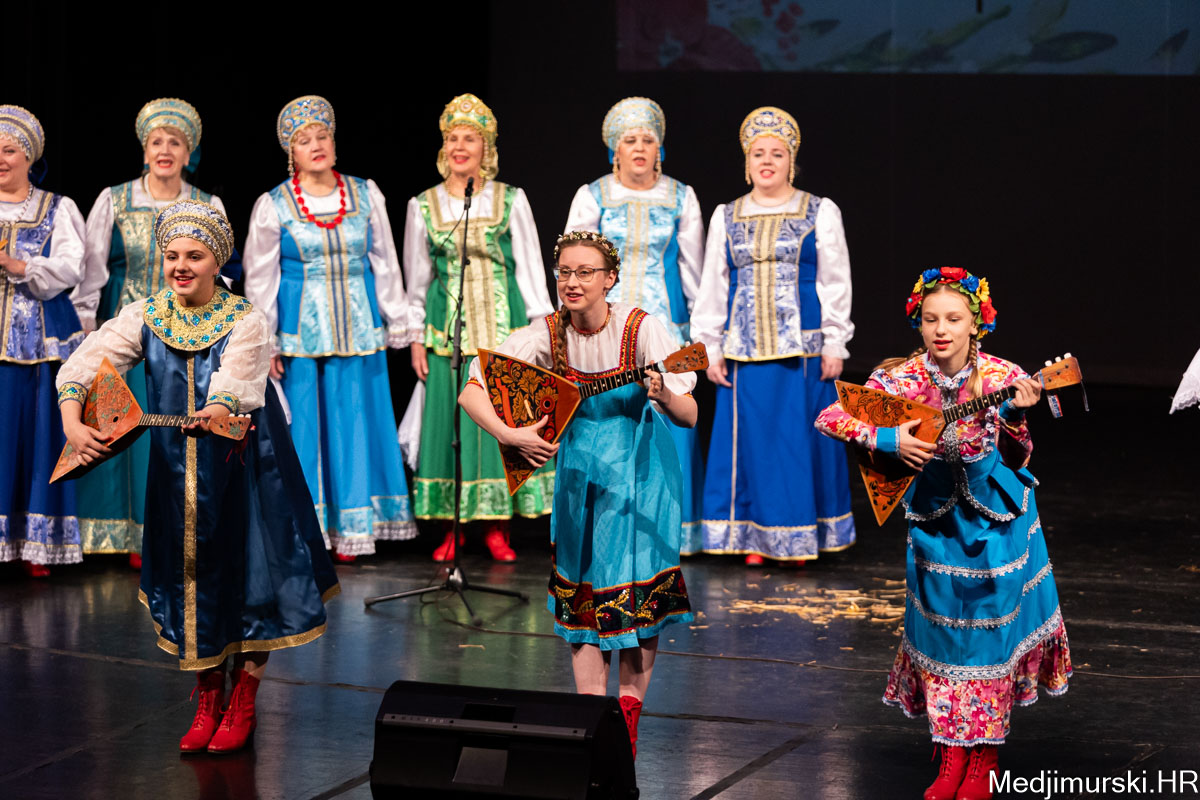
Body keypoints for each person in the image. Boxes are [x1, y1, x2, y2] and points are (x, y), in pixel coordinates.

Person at [57, 200, 339, 753]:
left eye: (194, 256)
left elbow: (233, 387)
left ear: (216, 262)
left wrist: (215, 409)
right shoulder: (147, 314)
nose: (180, 266)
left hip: (244, 469)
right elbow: (84, 364)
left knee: (252, 577)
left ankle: (244, 699)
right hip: (176, 472)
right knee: (189, 577)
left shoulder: (245, 319)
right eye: (172, 256)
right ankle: (208, 695)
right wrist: (72, 420)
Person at [815, 267, 1072, 800]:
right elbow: (830, 417)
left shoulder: (1001, 376)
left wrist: (1016, 418)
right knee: (942, 639)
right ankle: (950, 755)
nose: (941, 330)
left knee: (989, 641)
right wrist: (887, 440)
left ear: (975, 323)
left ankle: (985, 761)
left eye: (953, 319)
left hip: (997, 525)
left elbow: (1019, 457)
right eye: (931, 319)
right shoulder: (901, 379)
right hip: (935, 525)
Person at [458, 230, 696, 758]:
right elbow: (473, 387)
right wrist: (509, 434)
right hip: (579, 473)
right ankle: (592, 721)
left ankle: (627, 723)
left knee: (636, 600)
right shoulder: (546, 333)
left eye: (585, 272)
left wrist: (661, 391)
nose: (572, 282)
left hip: (640, 474)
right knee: (583, 603)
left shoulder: (642, 328)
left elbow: (689, 413)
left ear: (609, 279)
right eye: (565, 272)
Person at [244, 95, 416, 561]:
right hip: (302, 334)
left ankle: (354, 529)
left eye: (323, 136)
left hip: (359, 329)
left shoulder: (365, 193)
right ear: (292, 153)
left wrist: (399, 320)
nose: (316, 145)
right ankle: (311, 529)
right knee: (305, 431)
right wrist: (267, 340)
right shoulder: (274, 204)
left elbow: (385, 261)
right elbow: (261, 277)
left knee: (355, 422)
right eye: (305, 140)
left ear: (335, 144)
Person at [690, 106, 855, 565]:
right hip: (744, 352)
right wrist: (710, 347)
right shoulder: (727, 215)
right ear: (747, 162)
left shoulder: (819, 211)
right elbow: (713, 284)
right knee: (752, 446)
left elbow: (835, 280)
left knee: (795, 445)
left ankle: (798, 537)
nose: (767, 161)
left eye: (777, 154)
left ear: (791, 162)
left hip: (802, 352)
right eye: (758, 153)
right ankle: (753, 538)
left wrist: (835, 341)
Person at [71, 98, 230, 569]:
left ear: (188, 153)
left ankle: (160, 536)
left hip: (187, 331)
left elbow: (221, 272)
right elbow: (93, 271)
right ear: (144, 151)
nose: (165, 150)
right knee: (117, 425)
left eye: (175, 143)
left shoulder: (207, 205)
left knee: (171, 428)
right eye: (156, 142)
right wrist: (86, 327)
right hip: (126, 326)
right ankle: (108, 534)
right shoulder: (114, 199)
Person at [402, 93, 555, 562]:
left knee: (500, 424)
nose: (460, 147)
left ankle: (496, 526)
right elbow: (417, 277)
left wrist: (541, 329)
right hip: (446, 331)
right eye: (453, 139)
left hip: (504, 327)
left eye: (470, 139)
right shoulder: (423, 205)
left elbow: (529, 266)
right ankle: (452, 528)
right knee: (450, 427)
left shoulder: (511, 199)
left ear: (486, 147)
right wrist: (414, 336)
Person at [564, 96, 706, 551]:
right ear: (615, 150)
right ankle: (606, 523)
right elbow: (574, 267)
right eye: (630, 140)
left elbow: (694, 272)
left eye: (648, 140)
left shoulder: (682, 196)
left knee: (669, 412)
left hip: (667, 325)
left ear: (660, 149)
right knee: (608, 421)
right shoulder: (593, 195)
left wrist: (701, 332)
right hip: (607, 328)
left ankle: (670, 530)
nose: (640, 148)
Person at [0, 104, 86, 578]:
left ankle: (37, 544)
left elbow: (72, 267)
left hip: (36, 339)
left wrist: (22, 266)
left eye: (9, 150)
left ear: (29, 157)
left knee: (36, 438)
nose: (1, 159)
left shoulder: (56, 208)